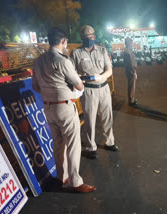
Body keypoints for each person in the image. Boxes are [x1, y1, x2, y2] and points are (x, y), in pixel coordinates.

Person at [32, 27, 95, 193]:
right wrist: (75, 90)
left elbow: (35, 86)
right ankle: (75, 182)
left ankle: (62, 177)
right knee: (73, 145)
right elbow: (79, 84)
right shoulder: (63, 61)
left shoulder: (38, 61)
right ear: (63, 41)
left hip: (48, 107)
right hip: (64, 107)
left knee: (58, 144)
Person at [70, 25, 118, 160]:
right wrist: (79, 78)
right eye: (85, 37)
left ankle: (110, 142)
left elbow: (109, 69)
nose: (88, 39)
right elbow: (72, 72)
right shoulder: (76, 53)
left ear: (94, 36)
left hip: (103, 88)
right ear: (81, 38)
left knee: (107, 117)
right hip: (88, 90)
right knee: (89, 120)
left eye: (90, 37)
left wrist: (101, 77)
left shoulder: (102, 51)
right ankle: (91, 147)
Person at [123, 37, 138, 106]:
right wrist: (134, 72)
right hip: (131, 71)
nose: (132, 44)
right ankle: (131, 101)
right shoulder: (128, 52)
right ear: (129, 43)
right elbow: (131, 63)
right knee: (132, 86)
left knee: (131, 85)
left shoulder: (127, 51)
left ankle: (131, 99)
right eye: (131, 42)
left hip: (129, 70)